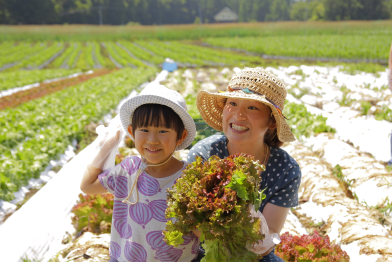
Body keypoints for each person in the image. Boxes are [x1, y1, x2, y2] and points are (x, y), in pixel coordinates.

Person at [188, 67, 301, 261]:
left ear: (272, 121)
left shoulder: (285, 169)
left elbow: (270, 231)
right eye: (232, 103)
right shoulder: (205, 154)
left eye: (252, 107)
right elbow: (194, 224)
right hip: (208, 254)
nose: (239, 115)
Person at [80, 84, 200, 262]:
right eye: (144, 130)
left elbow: (201, 230)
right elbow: (87, 186)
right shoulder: (127, 170)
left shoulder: (189, 178)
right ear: (131, 133)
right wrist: (107, 146)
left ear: (180, 136)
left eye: (163, 131)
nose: (152, 140)